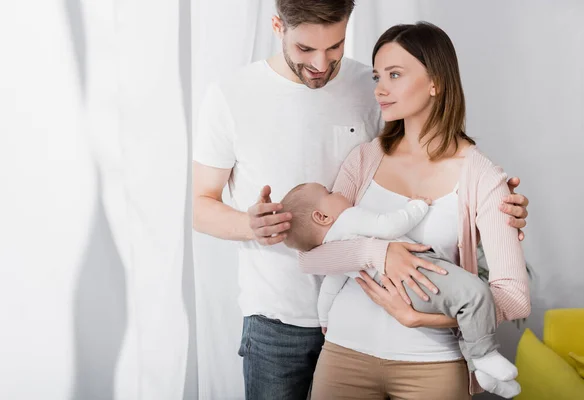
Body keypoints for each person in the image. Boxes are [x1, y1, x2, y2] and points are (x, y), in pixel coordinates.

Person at [192, 1, 530, 398]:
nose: (321, 63)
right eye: (305, 50)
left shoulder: (369, 92)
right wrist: (376, 252)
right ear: (277, 27)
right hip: (284, 319)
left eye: (334, 47)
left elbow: (509, 290)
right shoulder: (234, 95)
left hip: (409, 349)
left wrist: (492, 217)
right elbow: (205, 206)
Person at [299, 22, 531, 400]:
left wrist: (422, 318)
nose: (380, 88)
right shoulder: (364, 159)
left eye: (395, 74)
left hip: (433, 367)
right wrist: (379, 252)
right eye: (377, 76)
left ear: (436, 81)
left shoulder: (482, 176)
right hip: (344, 357)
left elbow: (513, 296)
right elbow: (312, 257)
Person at [280, 182, 521, 398]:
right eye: (330, 192)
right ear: (322, 216)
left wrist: (324, 318)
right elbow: (388, 226)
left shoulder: (336, 249)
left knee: (465, 307)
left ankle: (482, 371)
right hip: (418, 276)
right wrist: (418, 206)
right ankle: (484, 356)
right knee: (475, 296)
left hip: (404, 292)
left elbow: (329, 288)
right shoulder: (348, 218)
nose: (339, 191)